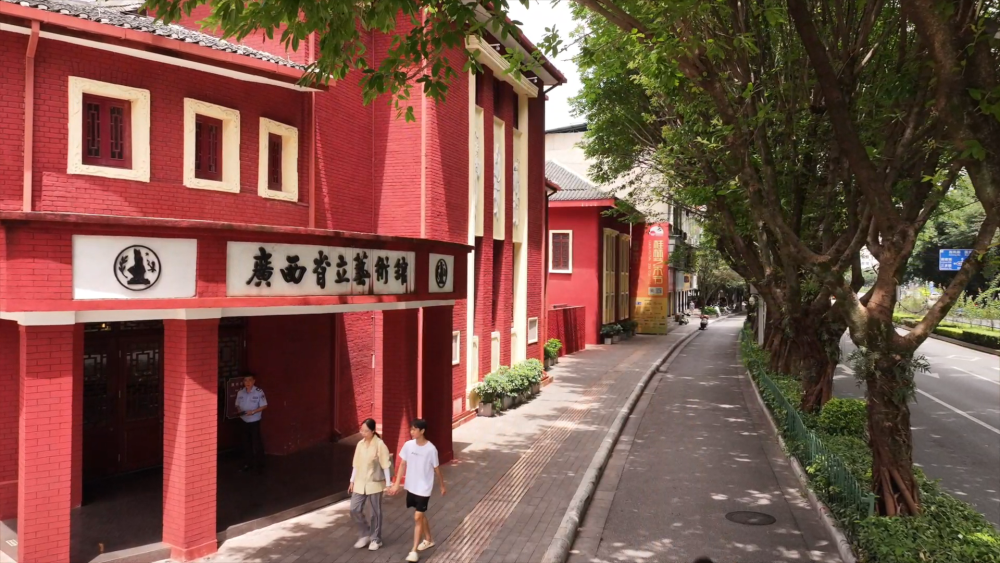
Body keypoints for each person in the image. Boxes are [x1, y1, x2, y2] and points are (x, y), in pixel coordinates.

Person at [388, 419, 446, 562]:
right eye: (411, 429)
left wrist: (442, 485)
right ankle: (429, 539)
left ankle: (414, 551)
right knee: (420, 514)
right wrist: (396, 484)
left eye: (414, 429)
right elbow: (402, 464)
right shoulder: (408, 445)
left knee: (417, 517)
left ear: (422, 431)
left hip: (424, 488)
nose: (411, 432)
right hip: (411, 486)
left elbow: (436, 469)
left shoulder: (431, 449)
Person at [349, 418, 392, 551]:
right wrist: (352, 480)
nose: (363, 433)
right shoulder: (360, 444)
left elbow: (386, 465)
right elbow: (356, 464)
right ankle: (365, 533)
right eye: (362, 430)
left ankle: (376, 539)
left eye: (366, 431)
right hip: (360, 482)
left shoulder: (380, 444)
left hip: (374, 483)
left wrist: (388, 484)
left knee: (375, 513)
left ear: (373, 431)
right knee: (354, 509)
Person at [234, 374, 267, 473]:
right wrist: (239, 411)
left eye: (249, 380)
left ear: (253, 381)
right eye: (245, 380)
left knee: (256, 442)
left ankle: (260, 464)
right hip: (244, 420)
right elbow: (237, 404)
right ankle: (248, 463)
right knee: (246, 442)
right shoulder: (240, 392)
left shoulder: (258, 392)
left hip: (254, 420)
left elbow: (264, 405)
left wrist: (253, 412)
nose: (247, 383)